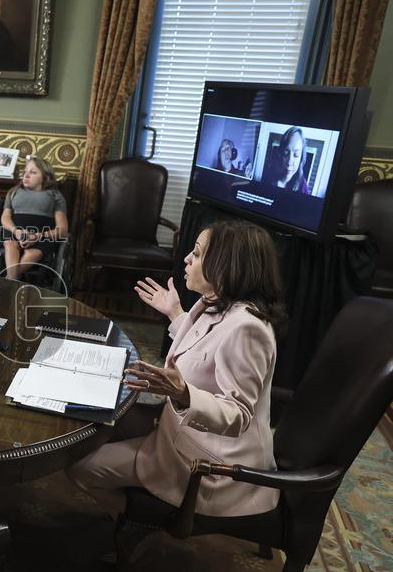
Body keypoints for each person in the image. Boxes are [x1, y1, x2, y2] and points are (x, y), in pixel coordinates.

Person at [67, 220, 286, 518]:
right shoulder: (217, 304)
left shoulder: (248, 328)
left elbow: (238, 415)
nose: (187, 259)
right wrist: (175, 313)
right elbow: (209, 346)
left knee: (78, 466)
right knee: (99, 416)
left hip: (211, 465)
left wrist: (184, 394)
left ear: (225, 266)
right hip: (178, 430)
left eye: (196, 254)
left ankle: (138, 517)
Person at [0, 155, 68, 280]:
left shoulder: (55, 196)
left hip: (42, 236)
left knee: (33, 253)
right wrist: (17, 231)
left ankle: (9, 278)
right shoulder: (14, 192)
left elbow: (62, 229)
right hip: (15, 232)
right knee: (10, 244)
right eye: (25, 171)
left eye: (32, 172)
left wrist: (38, 236)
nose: (26, 175)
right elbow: (5, 218)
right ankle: (11, 279)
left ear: (45, 177)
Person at [261, 127, 309, 194]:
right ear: (280, 154)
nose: (289, 162)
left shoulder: (303, 186)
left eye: (296, 155)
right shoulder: (266, 175)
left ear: (301, 159)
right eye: (285, 153)